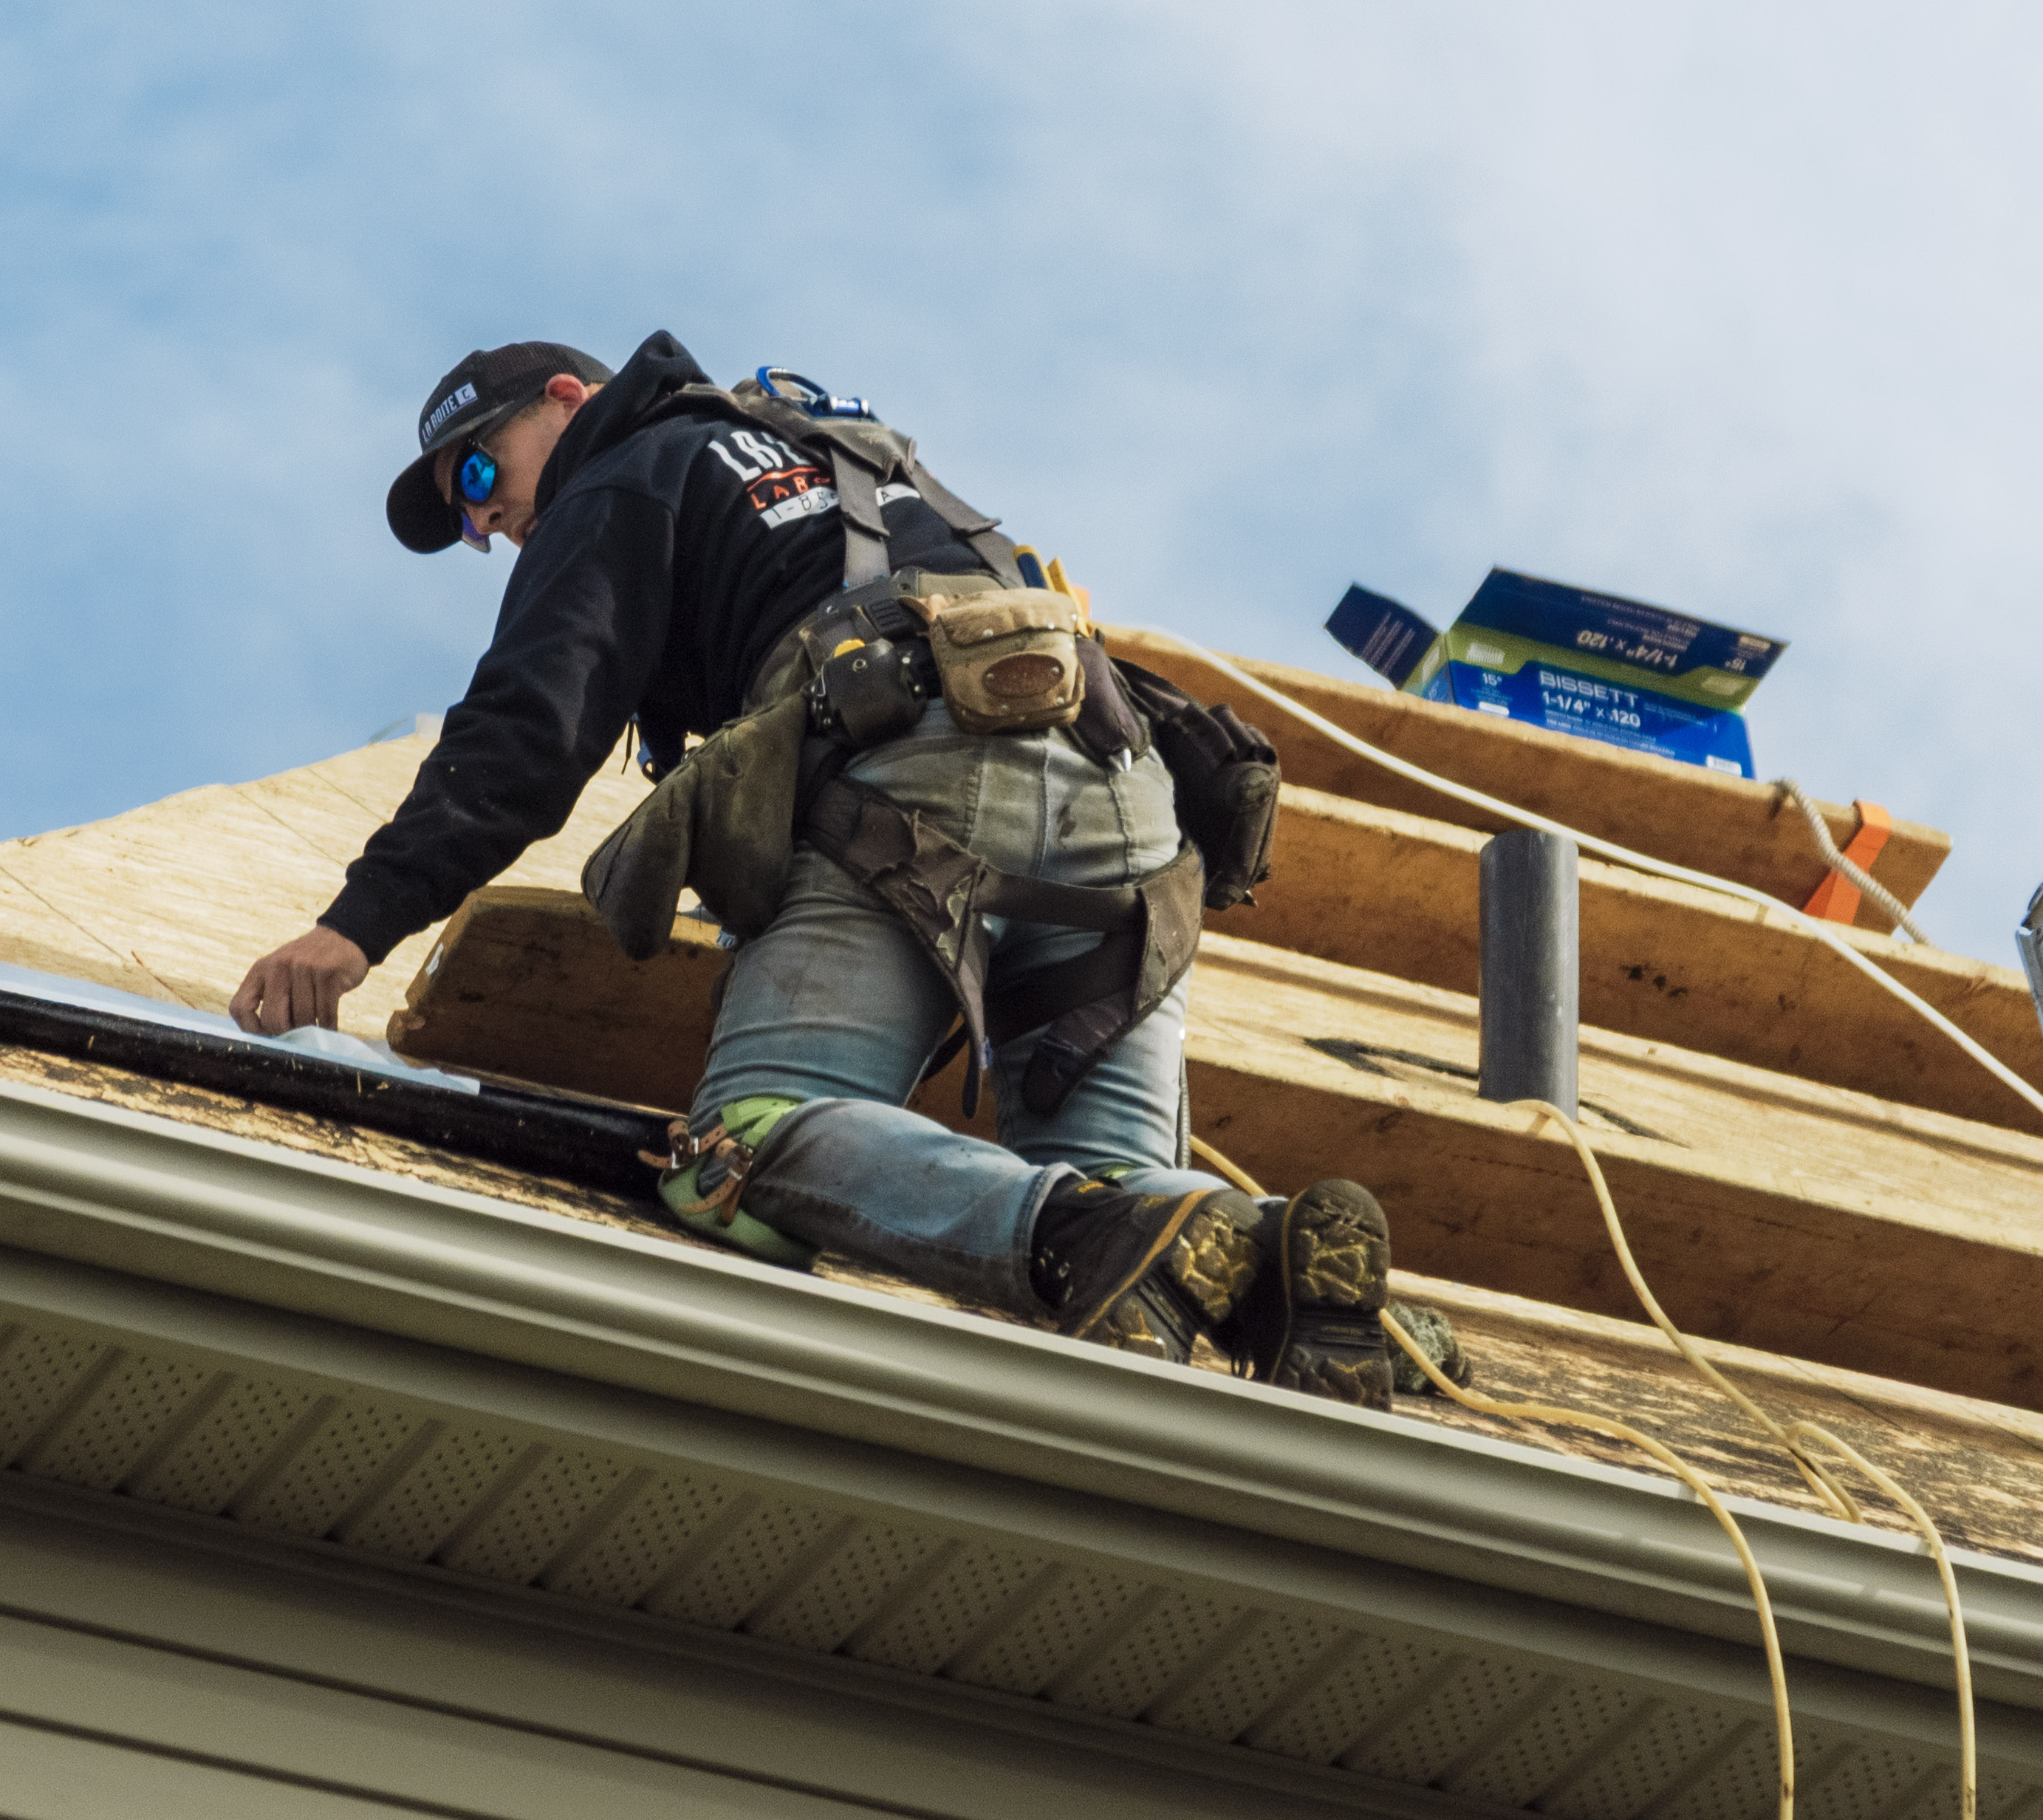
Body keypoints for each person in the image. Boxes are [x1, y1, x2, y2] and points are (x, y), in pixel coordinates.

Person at [229, 334, 1400, 1400]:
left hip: (917, 770)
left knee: (744, 1139)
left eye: (480, 474)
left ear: (572, 401)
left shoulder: (622, 473)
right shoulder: (823, 449)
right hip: (1128, 794)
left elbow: (527, 731)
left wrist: (356, 925)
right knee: (1130, 1199)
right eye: (463, 522)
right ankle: (1278, 1264)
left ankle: (1073, 1234)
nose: (485, 524)